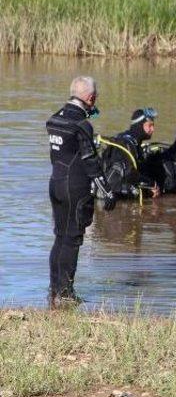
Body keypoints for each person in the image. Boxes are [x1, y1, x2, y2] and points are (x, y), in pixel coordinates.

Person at [46, 76, 117, 308]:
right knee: (73, 239)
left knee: (60, 236)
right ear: (91, 98)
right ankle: (65, 294)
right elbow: (90, 162)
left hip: (55, 183)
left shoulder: (55, 119)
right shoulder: (81, 124)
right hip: (74, 187)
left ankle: (55, 291)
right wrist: (107, 192)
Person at [101, 108, 161, 199]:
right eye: (150, 126)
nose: (153, 129)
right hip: (112, 193)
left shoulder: (134, 142)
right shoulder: (126, 144)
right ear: (140, 125)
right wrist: (151, 184)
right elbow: (130, 174)